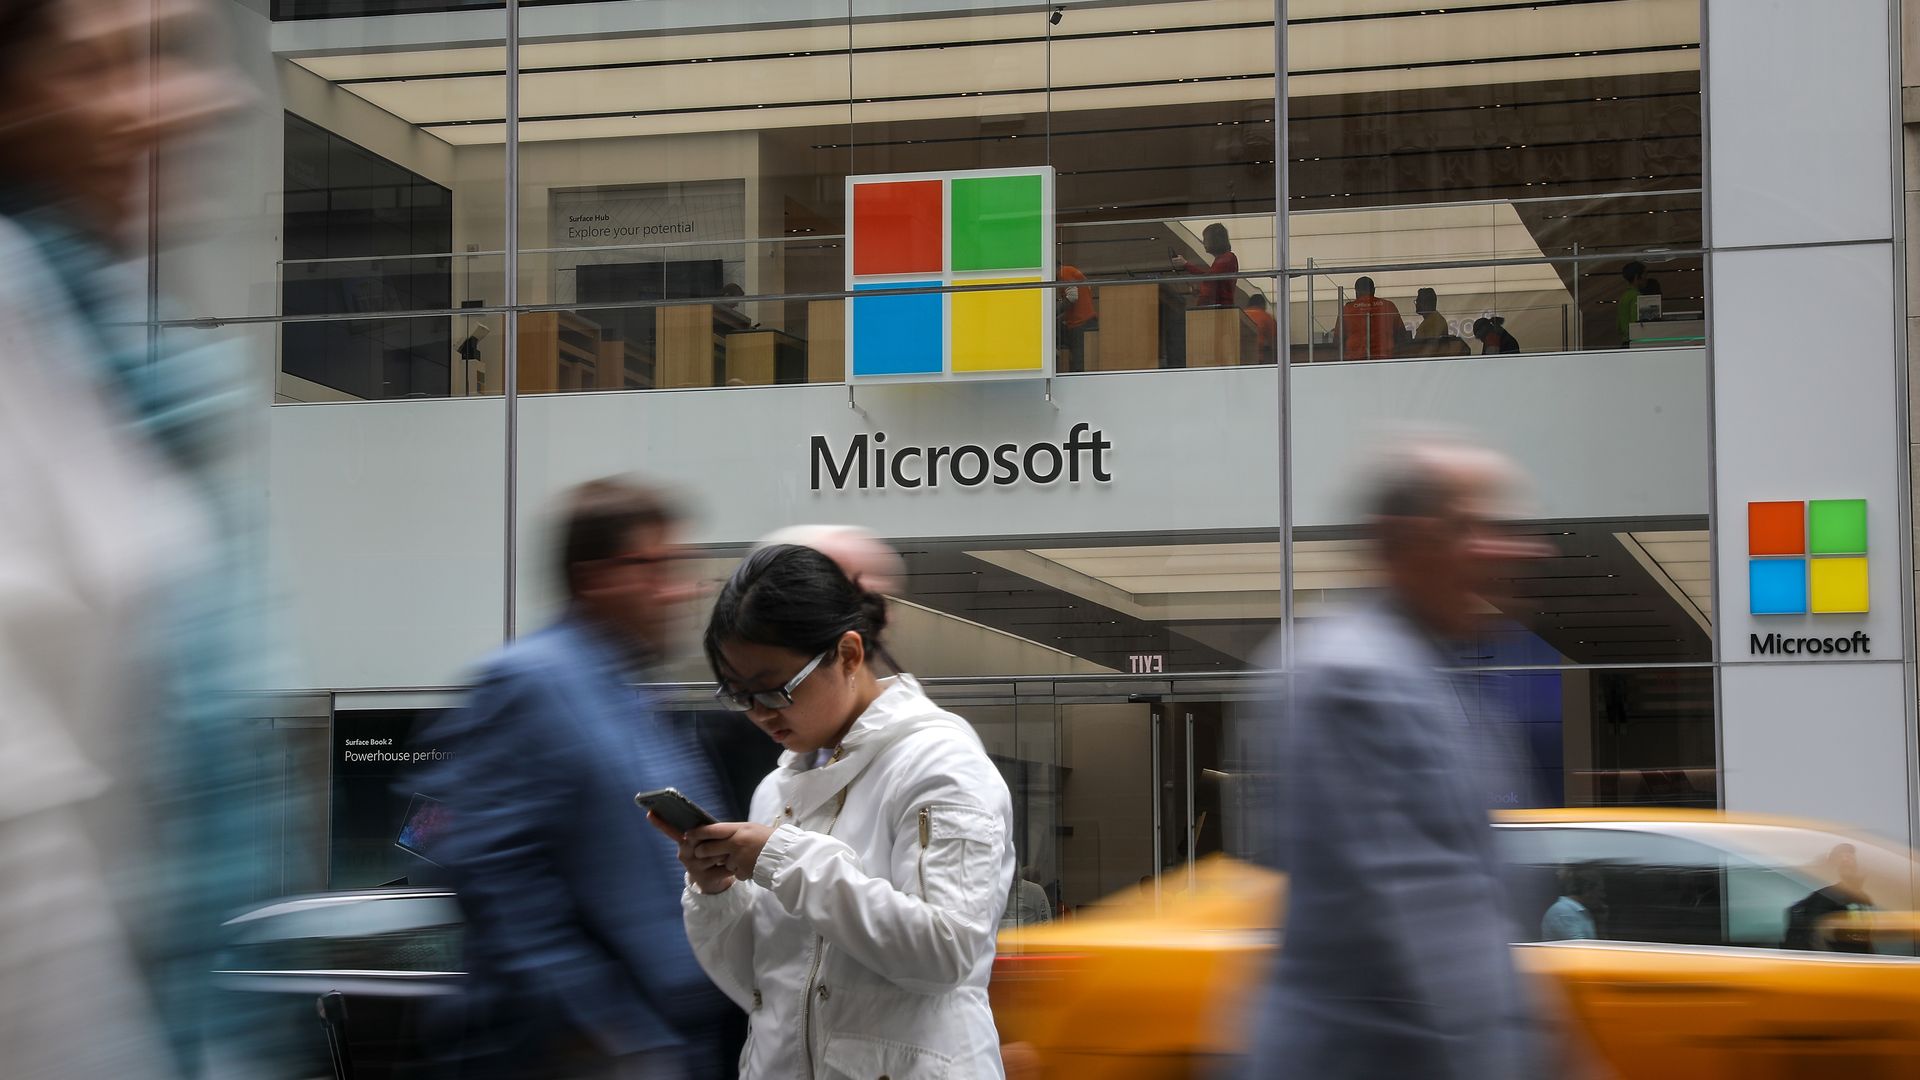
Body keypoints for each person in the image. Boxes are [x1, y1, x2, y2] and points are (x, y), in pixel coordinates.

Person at [0, 0, 292, 1074]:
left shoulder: (107, 348)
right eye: (125, 61)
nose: (203, 99)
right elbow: (26, 877)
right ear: (16, 96)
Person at [1246, 436, 1549, 1080]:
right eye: (1471, 527)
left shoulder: (1433, 679)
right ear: (1403, 541)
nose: (1510, 551)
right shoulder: (1350, 676)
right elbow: (1430, 913)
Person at [417, 478, 734, 1079]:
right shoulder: (529, 683)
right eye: (656, 567)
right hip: (579, 1056)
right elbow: (495, 877)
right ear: (594, 577)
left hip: (667, 1045)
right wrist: (608, 1033)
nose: (678, 591)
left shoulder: (631, 696)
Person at [661, 544, 1015, 1079]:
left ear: (848, 655)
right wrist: (716, 894)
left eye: (775, 691)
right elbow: (762, 987)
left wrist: (785, 859)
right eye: (738, 695)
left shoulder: (941, 765)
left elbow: (945, 953)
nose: (758, 714)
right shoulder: (777, 787)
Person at [1783, 843, 1875, 953]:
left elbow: (1866, 939)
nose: (1848, 861)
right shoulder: (1826, 898)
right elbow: (1816, 940)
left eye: (1851, 858)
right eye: (1843, 860)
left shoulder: (1862, 899)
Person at [1172, 222, 1239, 309]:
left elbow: (1209, 278)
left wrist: (1186, 264)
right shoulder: (1227, 258)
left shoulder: (1227, 258)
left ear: (1215, 240)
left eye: (1206, 239)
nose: (1203, 242)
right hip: (1219, 308)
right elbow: (1212, 279)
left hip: (1218, 309)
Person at [1341, 276, 1406, 360]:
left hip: (1356, 359)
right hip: (1385, 357)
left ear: (1356, 292)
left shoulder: (1348, 309)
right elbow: (1401, 335)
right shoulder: (1388, 306)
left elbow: (1338, 339)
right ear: (1373, 290)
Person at [1541, 866, 1604, 941]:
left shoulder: (1579, 911)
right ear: (1587, 891)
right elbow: (1579, 948)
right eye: (1599, 891)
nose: (1603, 895)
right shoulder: (1564, 911)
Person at [1057, 263, 1097, 371]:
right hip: (1085, 320)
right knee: (1081, 359)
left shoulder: (1063, 272)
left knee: (1078, 362)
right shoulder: (1072, 272)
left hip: (1080, 322)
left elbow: (1072, 297)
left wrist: (1053, 312)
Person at [1616, 260, 1646, 346]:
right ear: (1637, 277)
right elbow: (1635, 321)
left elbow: (1618, 326)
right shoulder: (1636, 296)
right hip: (1634, 341)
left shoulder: (1624, 296)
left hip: (1625, 341)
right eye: (1645, 274)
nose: (1646, 278)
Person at [1244, 292, 1279, 363]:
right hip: (1258, 357)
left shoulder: (1241, 314)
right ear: (1262, 305)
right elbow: (1274, 340)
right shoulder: (1266, 317)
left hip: (1239, 356)